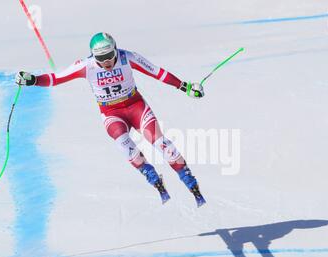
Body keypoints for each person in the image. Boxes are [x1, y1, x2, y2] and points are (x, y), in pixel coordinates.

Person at [15, 32, 206, 207]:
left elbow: (157, 72)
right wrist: (32, 79)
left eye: (109, 56)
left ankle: (187, 178)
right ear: (93, 56)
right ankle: (151, 175)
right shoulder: (86, 66)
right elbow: (55, 78)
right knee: (125, 145)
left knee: (160, 142)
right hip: (112, 113)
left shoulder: (127, 57)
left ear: (116, 49)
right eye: (100, 58)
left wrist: (185, 87)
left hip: (136, 107)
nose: (106, 62)